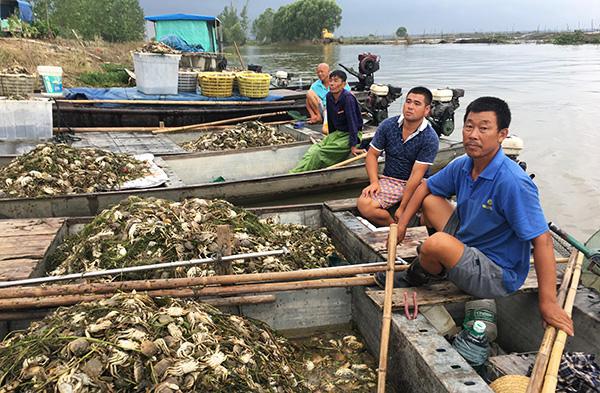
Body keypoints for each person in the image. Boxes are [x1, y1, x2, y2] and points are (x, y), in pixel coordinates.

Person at [377, 96, 574, 335]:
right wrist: (402, 226)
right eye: (469, 126)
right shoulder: (463, 164)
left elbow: (543, 240)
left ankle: (419, 273)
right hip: (469, 243)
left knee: (435, 244)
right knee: (430, 202)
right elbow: (425, 186)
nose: (473, 134)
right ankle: (441, 262)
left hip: (497, 273)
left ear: (502, 134)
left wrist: (548, 303)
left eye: (484, 128)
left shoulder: (513, 182)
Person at [357, 87, 439, 226]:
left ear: (426, 110)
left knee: (431, 213)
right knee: (364, 204)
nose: (410, 107)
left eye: (417, 104)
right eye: (408, 102)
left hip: (417, 183)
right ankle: (394, 227)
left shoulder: (430, 138)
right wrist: (374, 182)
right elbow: (372, 155)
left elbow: (416, 175)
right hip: (391, 180)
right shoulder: (388, 125)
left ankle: (409, 226)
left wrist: (402, 208)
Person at [290, 70, 363, 173]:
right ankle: (296, 171)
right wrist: (330, 137)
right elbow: (331, 120)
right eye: (331, 80)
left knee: (320, 152)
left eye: (336, 81)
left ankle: (298, 174)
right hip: (337, 133)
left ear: (343, 84)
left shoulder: (348, 98)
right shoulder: (329, 96)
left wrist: (354, 146)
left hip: (350, 135)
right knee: (313, 149)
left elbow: (353, 123)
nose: (332, 84)